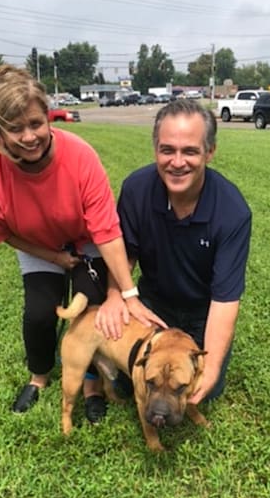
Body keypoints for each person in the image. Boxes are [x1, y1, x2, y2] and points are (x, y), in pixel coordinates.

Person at [0, 64, 163, 421]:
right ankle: (39, 376)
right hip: (37, 247)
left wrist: (127, 294)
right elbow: (2, 233)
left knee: (92, 309)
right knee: (39, 314)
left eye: (35, 124)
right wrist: (53, 258)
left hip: (87, 243)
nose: (29, 137)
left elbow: (106, 230)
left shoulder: (80, 156)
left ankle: (91, 382)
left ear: (49, 118)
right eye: (15, 129)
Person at [96, 99, 252, 404]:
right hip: (150, 305)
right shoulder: (137, 189)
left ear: (210, 152)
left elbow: (225, 300)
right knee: (135, 383)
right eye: (167, 150)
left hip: (201, 312)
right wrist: (116, 296)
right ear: (155, 149)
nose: (177, 162)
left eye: (190, 151)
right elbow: (123, 255)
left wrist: (213, 368)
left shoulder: (232, 211)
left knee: (205, 389)